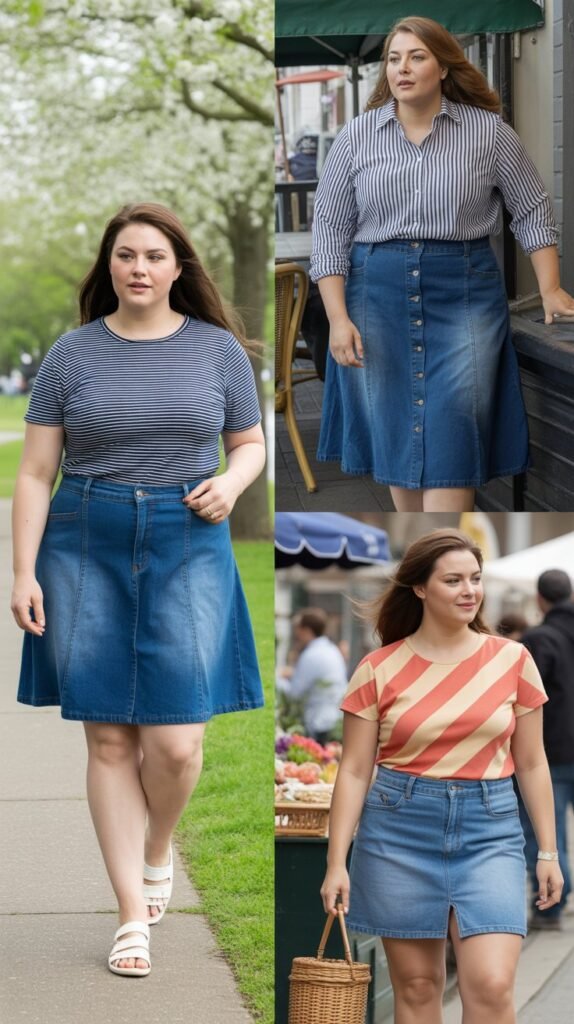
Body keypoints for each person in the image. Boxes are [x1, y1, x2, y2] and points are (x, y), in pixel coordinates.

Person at [10, 202, 266, 978]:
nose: (140, 268)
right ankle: (131, 914)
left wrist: (234, 481)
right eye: (126, 255)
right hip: (86, 540)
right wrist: (21, 570)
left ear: (178, 267)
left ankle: (158, 849)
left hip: (189, 540)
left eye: (154, 255)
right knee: (110, 736)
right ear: (109, 265)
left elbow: (249, 444)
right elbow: (33, 472)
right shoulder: (70, 356)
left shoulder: (218, 352)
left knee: (179, 741)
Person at [310, 16, 574, 513]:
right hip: (377, 300)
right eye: (393, 58)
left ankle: (440, 561)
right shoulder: (356, 137)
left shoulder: (487, 132)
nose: (402, 68)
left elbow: (533, 207)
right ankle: (422, 573)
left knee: (454, 434)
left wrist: (551, 287)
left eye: (417, 57)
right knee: (395, 436)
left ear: (445, 67)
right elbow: (330, 232)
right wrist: (338, 318)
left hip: (464, 299)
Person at [321, 529, 563, 1023]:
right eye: (453, 580)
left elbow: (533, 763)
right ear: (420, 588)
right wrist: (336, 862)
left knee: (492, 986)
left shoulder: (513, 660)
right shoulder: (377, 669)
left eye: (474, 579)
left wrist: (549, 852)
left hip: (490, 831)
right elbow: (353, 770)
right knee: (416, 986)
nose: (469, 590)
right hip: (397, 832)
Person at [519, 569, 574, 930]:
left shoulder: (539, 639)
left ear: (540, 599)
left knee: (546, 834)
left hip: (552, 750)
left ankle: (551, 906)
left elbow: (528, 700)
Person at [278, 607, 348, 745]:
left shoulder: (310, 655)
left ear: (307, 630)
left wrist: (278, 678)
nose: (296, 634)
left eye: (298, 629)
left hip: (316, 724)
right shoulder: (332, 650)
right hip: (334, 718)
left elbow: (294, 694)